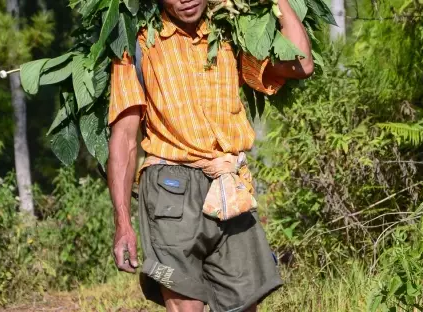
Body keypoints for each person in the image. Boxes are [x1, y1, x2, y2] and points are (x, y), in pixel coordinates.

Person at [107, 0, 314, 310]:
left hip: (229, 184)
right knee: (186, 305)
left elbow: (302, 63)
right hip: (170, 191)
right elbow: (124, 139)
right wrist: (122, 222)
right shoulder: (137, 44)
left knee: (245, 303)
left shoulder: (232, 33)